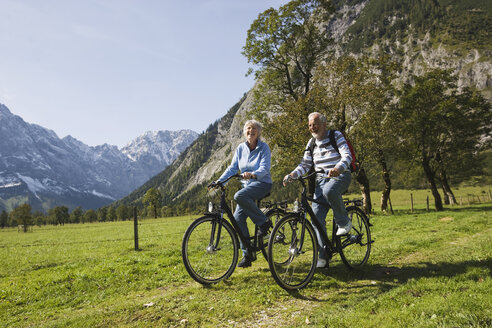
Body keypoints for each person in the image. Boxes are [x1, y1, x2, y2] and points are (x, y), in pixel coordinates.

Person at [283, 112, 352, 268]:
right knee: (316, 219)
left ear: (324, 124)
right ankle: (323, 255)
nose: (312, 128)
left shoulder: (336, 135)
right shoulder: (311, 143)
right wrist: (293, 174)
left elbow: (347, 155)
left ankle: (344, 222)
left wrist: (338, 168)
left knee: (330, 191)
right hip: (321, 181)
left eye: (315, 124)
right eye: (309, 125)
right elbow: (305, 165)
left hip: (340, 176)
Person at [215, 119, 273, 268]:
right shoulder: (241, 148)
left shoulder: (264, 148)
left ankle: (264, 222)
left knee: (239, 196)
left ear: (258, 132)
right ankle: (248, 254)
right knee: (237, 219)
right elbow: (233, 168)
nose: (251, 131)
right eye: (248, 129)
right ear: (244, 132)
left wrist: (253, 174)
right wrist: (219, 182)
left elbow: (265, 168)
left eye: (254, 129)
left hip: (262, 183)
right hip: (248, 186)